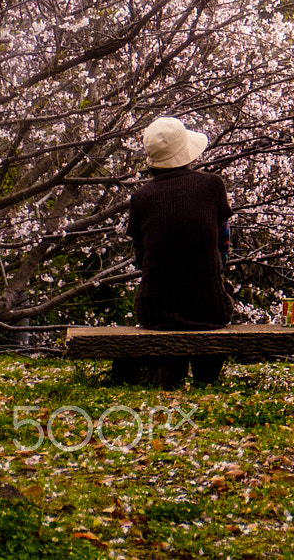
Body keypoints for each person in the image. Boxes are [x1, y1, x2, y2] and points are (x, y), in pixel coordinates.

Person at [125, 116, 233, 385]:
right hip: (208, 309)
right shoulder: (212, 185)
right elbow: (223, 247)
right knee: (219, 294)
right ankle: (207, 383)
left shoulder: (140, 198)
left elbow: (141, 257)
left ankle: (169, 380)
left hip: (155, 310)